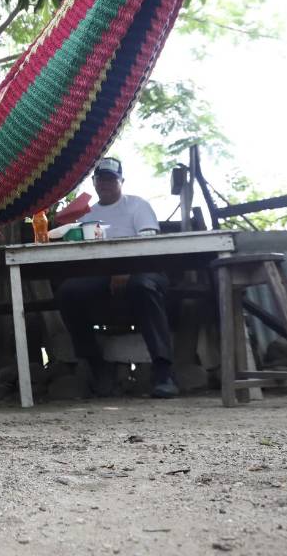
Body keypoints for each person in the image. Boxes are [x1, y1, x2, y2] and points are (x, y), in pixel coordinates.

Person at [58, 157, 179, 398]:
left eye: (111, 179)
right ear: (94, 183)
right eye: (100, 179)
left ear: (121, 181)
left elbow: (149, 243)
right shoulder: (86, 214)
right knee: (68, 292)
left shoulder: (137, 205)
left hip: (144, 271)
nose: (105, 184)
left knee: (142, 286)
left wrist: (127, 268)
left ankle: (164, 371)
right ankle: (96, 365)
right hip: (101, 275)